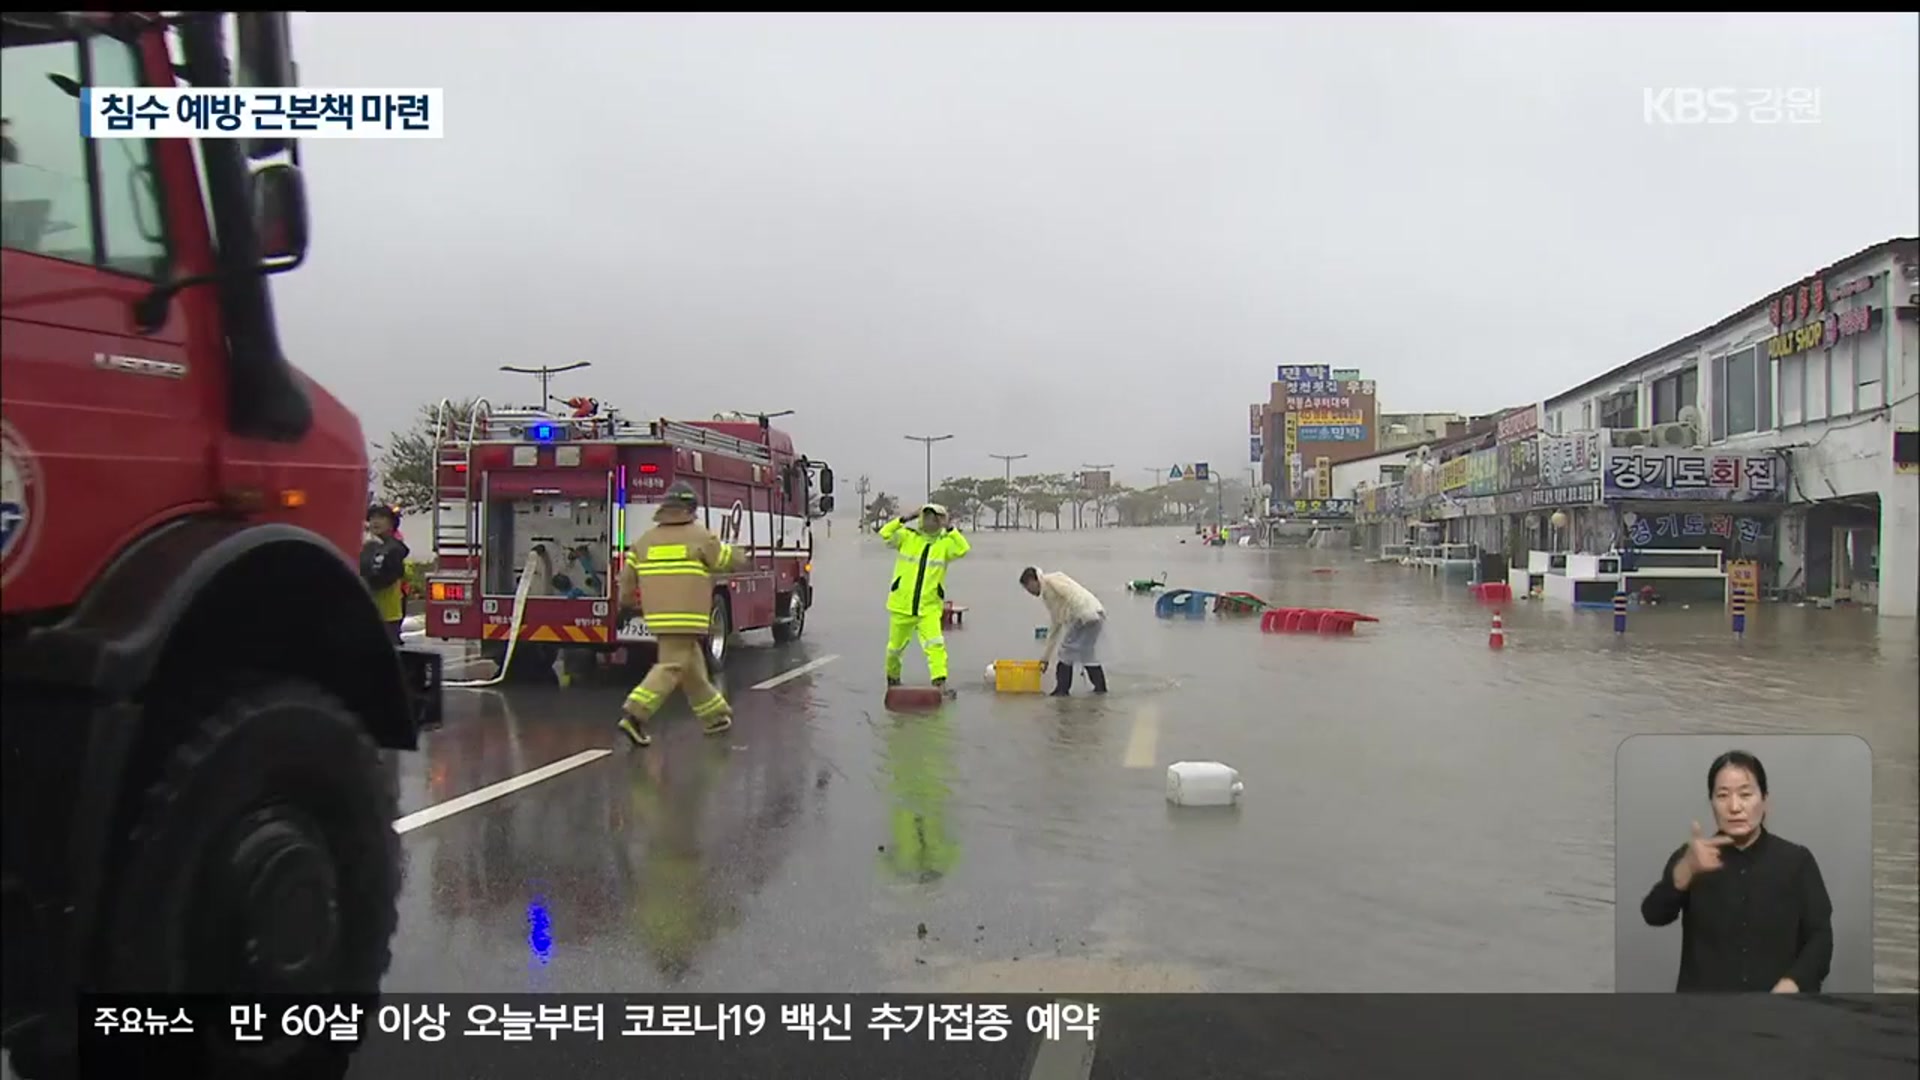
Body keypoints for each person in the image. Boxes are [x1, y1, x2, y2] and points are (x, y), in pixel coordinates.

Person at [1640, 749, 1833, 993]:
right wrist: (1686, 870)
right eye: (1722, 795)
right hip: (1702, 1017)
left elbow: (1821, 939)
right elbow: (1653, 914)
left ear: (1765, 800)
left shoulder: (1797, 861)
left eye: (1745, 794)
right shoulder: (1691, 858)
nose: (1734, 807)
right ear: (1711, 803)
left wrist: (1793, 983)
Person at [615, 481, 735, 747]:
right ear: (691, 508)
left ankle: (714, 716)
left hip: (658, 617)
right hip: (688, 616)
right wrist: (743, 556)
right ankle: (634, 716)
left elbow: (626, 578)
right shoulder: (701, 536)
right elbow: (724, 560)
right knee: (670, 667)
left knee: (691, 667)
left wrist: (624, 607)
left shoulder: (643, 541)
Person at [879, 502, 970, 689]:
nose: (930, 520)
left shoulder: (944, 544)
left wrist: (950, 528)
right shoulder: (908, 537)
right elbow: (884, 533)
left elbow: (963, 549)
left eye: (935, 517)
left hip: (928, 607)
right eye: (926, 516)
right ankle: (893, 679)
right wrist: (906, 518)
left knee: (935, 645)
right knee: (894, 649)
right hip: (901, 606)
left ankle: (939, 683)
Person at [1021, 566, 1108, 696]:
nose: (1030, 592)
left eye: (1028, 587)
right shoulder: (1047, 595)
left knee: (1065, 651)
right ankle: (1100, 689)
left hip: (1086, 614)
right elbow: (1055, 625)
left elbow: (1071, 594)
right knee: (1087, 654)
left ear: (1033, 580)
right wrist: (1045, 658)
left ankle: (1062, 690)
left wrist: (1083, 615)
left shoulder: (1052, 580)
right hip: (1096, 613)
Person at [359, 503, 408, 644]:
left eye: (381, 517)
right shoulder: (368, 545)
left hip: (388, 615)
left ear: (392, 523)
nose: (375, 521)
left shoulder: (394, 548)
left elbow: (385, 578)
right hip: (367, 614)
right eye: (372, 518)